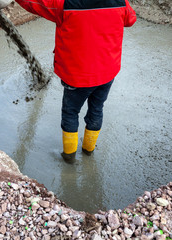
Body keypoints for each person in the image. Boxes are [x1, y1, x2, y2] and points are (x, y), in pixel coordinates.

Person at [14, 0, 137, 162]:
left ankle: (69, 156)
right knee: (97, 109)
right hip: (107, 72)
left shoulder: (65, 3)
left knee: (70, 112)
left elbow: (34, 4)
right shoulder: (120, 2)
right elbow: (131, 20)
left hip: (77, 75)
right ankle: (88, 151)